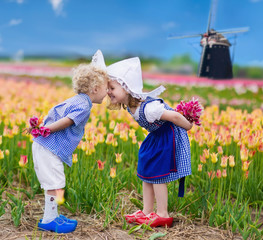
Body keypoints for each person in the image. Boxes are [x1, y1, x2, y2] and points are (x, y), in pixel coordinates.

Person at [106, 57, 193, 228]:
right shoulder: (131, 106)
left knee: (158, 176)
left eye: (112, 88)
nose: (108, 91)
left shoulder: (149, 108)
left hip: (166, 137)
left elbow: (173, 116)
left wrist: (188, 125)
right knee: (146, 172)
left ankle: (162, 214)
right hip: (155, 137)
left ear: (127, 88)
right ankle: (146, 211)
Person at [33, 50, 109, 233]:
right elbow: (67, 121)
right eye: (107, 88)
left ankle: (53, 215)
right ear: (96, 89)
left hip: (46, 146)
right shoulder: (83, 106)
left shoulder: (76, 100)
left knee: (55, 183)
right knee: (55, 184)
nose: (107, 92)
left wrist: (42, 126)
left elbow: (54, 113)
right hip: (49, 148)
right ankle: (49, 220)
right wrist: (46, 129)